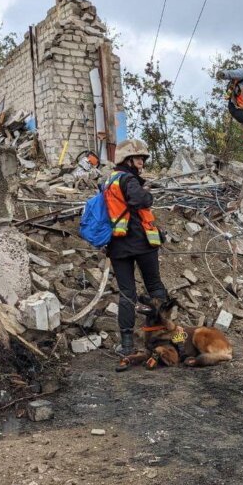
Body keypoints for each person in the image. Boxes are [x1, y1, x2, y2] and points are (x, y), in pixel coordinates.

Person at [103, 139, 167, 367]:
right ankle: (169, 337)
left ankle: (127, 346)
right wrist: (148, 196)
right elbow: (139, 200)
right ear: (127, 159)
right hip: (141, 242)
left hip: (118, 247)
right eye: (138, 158)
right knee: (156, 288)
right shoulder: (128, 179)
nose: (141, 162)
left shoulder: (109, 181)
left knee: (127, 294)